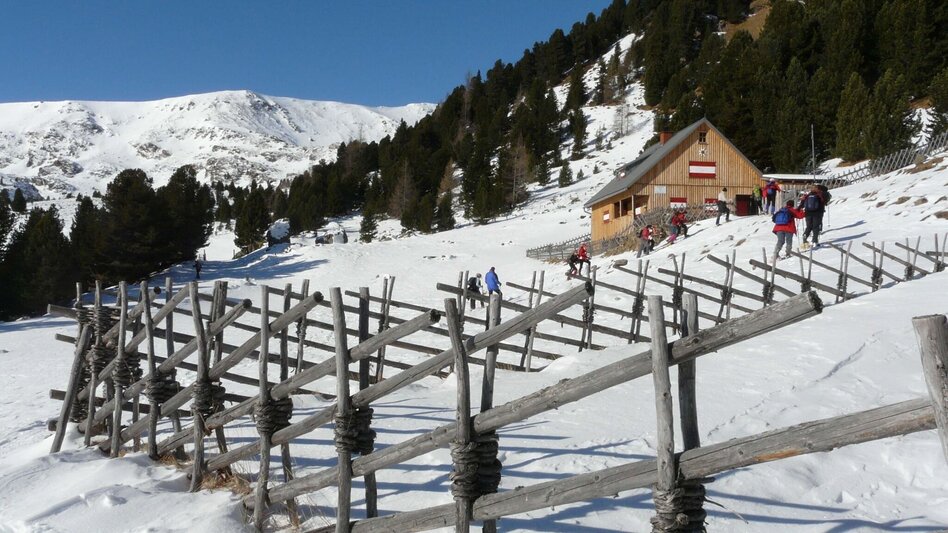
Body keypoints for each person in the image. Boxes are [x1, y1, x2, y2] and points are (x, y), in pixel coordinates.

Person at [800, 183, 826, 248]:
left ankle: (805, 236)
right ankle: (814, 241)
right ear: (817, 189)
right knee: (816, 227)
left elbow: (802, 204)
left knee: (809, 226)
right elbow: (824, 202)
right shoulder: (819, 195)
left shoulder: (807, 195)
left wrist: (798, 209)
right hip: (817, 213)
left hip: (808, 213)